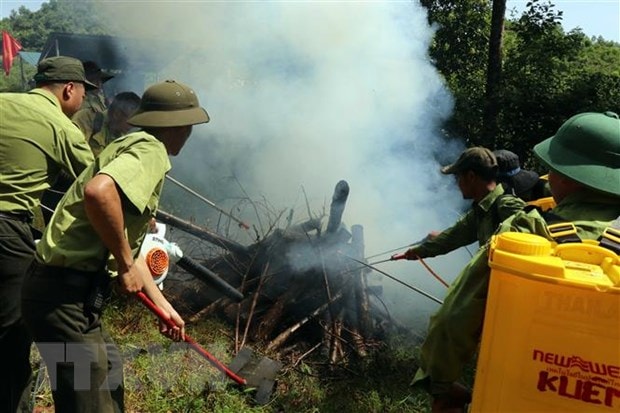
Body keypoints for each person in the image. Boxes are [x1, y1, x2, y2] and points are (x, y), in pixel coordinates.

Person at [21, 79, 210, 413]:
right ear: (179, 126)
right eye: (189, 126)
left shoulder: (131, 143)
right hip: (62, 296)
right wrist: (123, 267)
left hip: (69, 296)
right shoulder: (150, 150)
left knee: (108, 375)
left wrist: (162, 305)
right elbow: (98, 192)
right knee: (88, 401)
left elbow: (127, 244)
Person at [412, 111, 620, 413]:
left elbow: (454, 318)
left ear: (567, 176)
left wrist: (440, 385)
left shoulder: (528, 229)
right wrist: (421, 250)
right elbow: (459, 233)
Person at [0, 56, 96, 413]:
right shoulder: (63, 128)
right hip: (7, 232)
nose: (84, 100)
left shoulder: (2, 99)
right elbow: (101, 188)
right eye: (84, 92)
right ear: (69, 89)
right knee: (11, 335)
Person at [400, 147, 526, 261]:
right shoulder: (481, 210)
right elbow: (451, 237)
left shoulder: (508, 206)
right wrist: (416, 251)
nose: (458, 184)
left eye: (458, 177)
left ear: (471, 176)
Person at [88, 91, 141, 156]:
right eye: (131, 120)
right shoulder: (88, 119)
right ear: (116, 114)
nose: (133, 126)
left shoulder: (123, 137)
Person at [72, 60, 114, 139]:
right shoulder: (79, 101)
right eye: (94, 81)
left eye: (100, 81)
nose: (99, 84)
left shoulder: (100, 98)